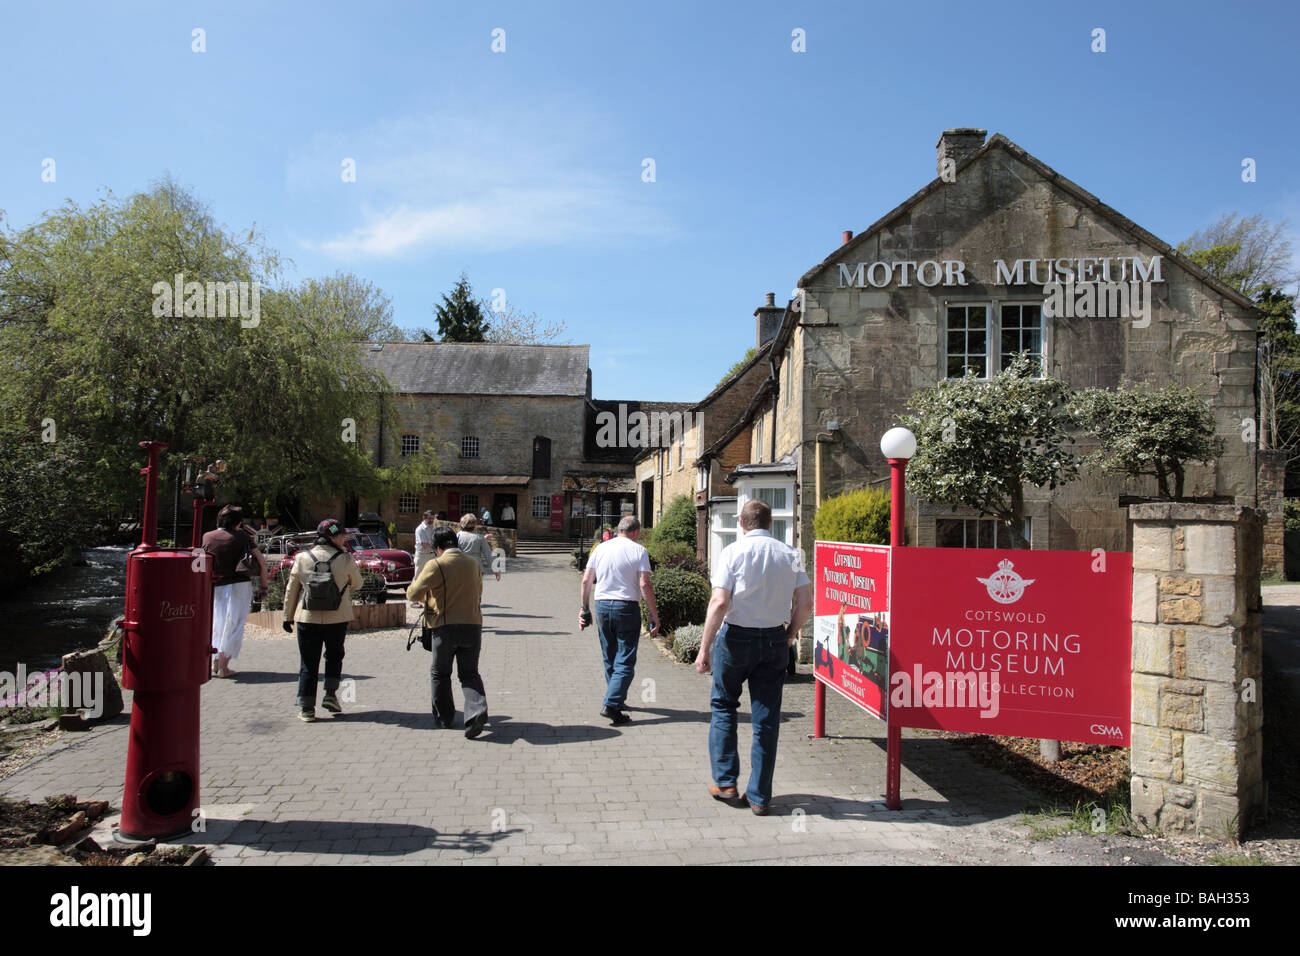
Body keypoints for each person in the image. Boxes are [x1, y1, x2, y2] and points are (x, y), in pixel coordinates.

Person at [694, 499, 812, 815]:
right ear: (769, 524)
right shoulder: (792, 556)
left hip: (736, 638)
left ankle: (726, 782)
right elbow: (805, 604)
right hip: (774, 639)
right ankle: (759, 796)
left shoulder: (731, 552)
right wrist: (789, 635)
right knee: (766, 718)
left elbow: (719, 603)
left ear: (742, 524)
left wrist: (704, 649)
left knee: (723, 705)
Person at [407, 526, 489, 737]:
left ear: (437, 547)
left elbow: (414, 594)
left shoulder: (436, 564)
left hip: (444, 626)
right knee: (469, 673)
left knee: (440, 673)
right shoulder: (472, 564)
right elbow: (479, 591)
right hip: (472, 624)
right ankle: (476, 711)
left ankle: (445, 717)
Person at [579, 516, 659, 726]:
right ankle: (612, 703)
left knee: (610, 655)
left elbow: (587, 580)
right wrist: (653, 614)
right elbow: (644, 585)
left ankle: (615, 699)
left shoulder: (600, 548)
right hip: (626, 607)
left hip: (602, 606)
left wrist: (584, 609)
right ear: (635, 532)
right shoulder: (638, 550)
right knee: (625, 658)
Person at [282, 518, 364, 722]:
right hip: (337, 617)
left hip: (307, 617)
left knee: (308, 662)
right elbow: (358, 584)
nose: (344, 538)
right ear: (333, 537)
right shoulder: (345, 559)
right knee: (334, 656)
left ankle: (307, 707)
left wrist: (287, 616)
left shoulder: (302, 558)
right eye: (342, 534)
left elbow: (292, 589)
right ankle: (330, 694)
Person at [202, 505, 268, 678]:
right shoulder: (244, 538)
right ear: (238, 522)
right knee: (233, 624)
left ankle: (214, 664)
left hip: (215, 585)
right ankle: (224, 666)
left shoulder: (207, 537)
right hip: (239, 585)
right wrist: (264, 586)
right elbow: (262, 562)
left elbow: (199, 563)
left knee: (216, 623)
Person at [457, 513, 501, 584]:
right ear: (475, 526)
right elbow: (488, 555)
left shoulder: (458, 535)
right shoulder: (479, 537)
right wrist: (496, 571)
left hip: (461, 567)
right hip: (476, 568)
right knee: (476, 592)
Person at [412, 510, 437, 608]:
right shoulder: (420, 529)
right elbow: (424, 544)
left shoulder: (433, 528)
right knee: (418, 577)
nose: (431, 520)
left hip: (431, 555)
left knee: (431, 577)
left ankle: (428, 599)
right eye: (430, 518)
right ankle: (414, 600)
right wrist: (436, 551)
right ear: (424, 518)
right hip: (422, 555)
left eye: (433, 518)